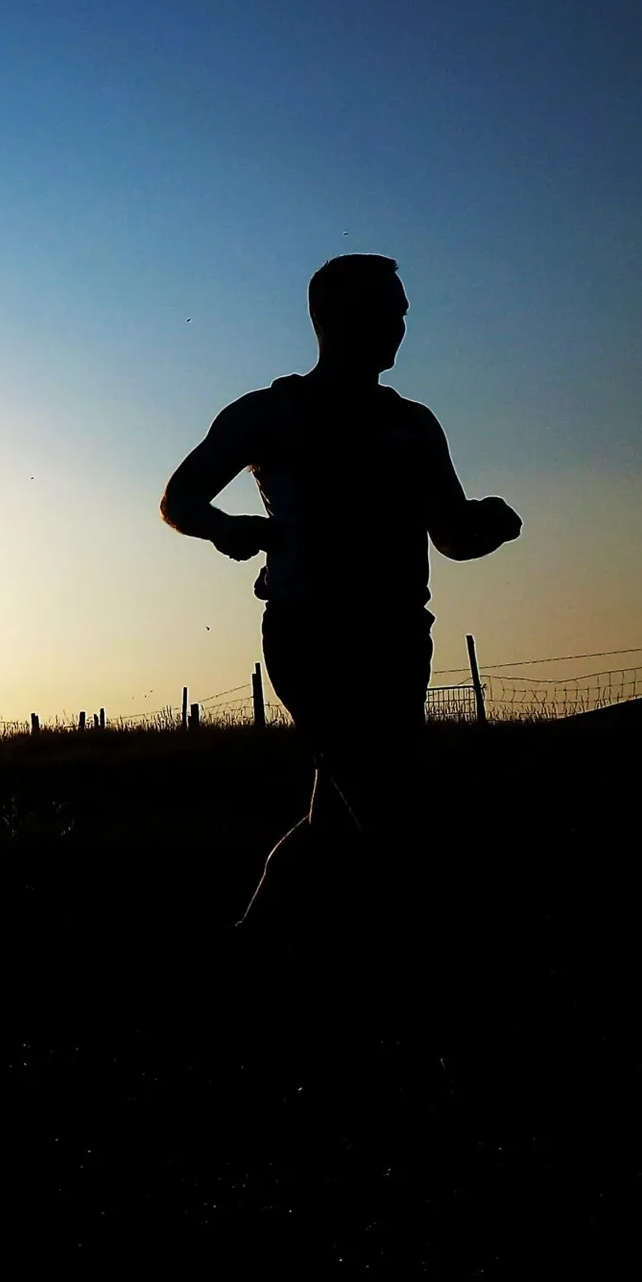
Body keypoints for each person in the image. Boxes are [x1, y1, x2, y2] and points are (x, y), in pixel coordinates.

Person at [160, 255, 521, 929]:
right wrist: (226, 527)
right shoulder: (269, 414)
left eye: (404, 310)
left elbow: (451, 533)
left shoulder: (415, 423)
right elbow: (180, 498)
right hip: (313, 637)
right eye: (392, 308)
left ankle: (248, 949)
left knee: (334, 819)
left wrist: (489, 524)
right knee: (392, 810)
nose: (403, 324)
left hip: (399, 639)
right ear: (336, 316)